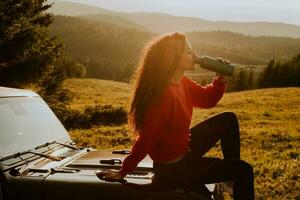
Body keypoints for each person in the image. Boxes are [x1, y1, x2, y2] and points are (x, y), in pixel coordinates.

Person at [96, 32, 254, 199]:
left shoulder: (181, 82)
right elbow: (147, 139)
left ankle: (229, 182)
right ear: (173, 59)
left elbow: (208, 99)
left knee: (228, 119)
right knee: (243, 170)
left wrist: (220, 79)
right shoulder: (163, 96)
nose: (195, 55)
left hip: (184, 148)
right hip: (175, 169)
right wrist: (123, 171)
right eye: (188, 52)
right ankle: (232, 178)